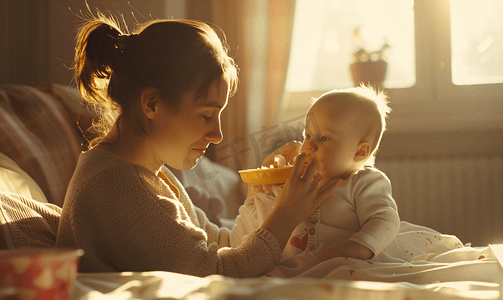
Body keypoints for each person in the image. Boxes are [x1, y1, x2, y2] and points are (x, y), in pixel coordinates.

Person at [55, 13, 342, 277]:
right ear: (152, 104)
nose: (217, 134)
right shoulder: (116, 186)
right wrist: (287, 215)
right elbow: (216, 272)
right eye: (206, 115)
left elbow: (220, 243)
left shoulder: (150, 175)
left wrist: (262, 198)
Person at [228, 85, 401, 278]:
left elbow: (386, 220)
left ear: (360, 151)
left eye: (324, 138)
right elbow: (270, 222)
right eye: (307, 136)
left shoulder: (364, 182)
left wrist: (355, 248)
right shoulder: (300, 183)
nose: (309, 145)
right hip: (296, 268)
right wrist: (260, 194)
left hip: (344, 265)